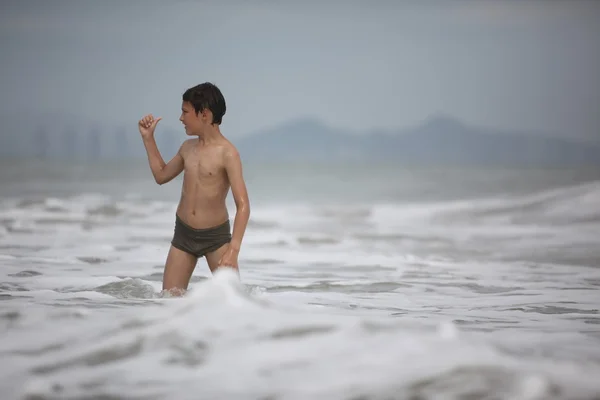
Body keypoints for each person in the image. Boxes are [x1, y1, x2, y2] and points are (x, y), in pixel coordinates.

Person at [138, 82, 250, 296]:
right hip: (183, 235)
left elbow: (243, 205)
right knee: (169, 300)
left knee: (232, 301)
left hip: (216, 238)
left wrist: (233, 250)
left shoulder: (228, 154)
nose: (181, 118)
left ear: (204, 114)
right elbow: (161, 175)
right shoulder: (187, 148)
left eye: (185, 112)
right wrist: (148, 138)